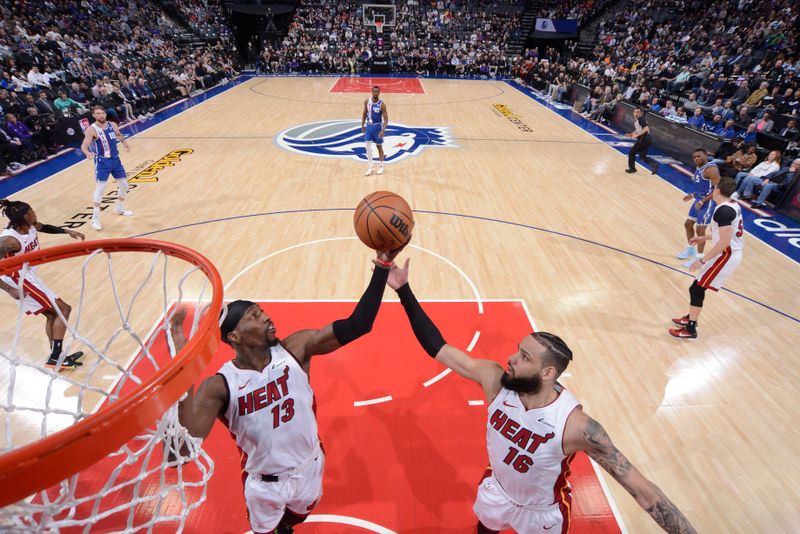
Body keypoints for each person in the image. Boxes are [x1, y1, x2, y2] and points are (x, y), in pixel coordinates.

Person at [384, 260, 697, 533]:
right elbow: (440, 349)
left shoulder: (576, 426)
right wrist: (403, 291)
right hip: (498, 491)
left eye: (523, 357)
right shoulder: (495, 379)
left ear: (547, 373)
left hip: (543, 515)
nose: (511, 358)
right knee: (485, 527)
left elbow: (643, 491)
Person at [168, 245, 407, 534]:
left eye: (263, 311)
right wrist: (182, 376)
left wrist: (383, 264)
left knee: (295, 517)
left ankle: (287, 525)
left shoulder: (296, 349)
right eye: (254, 316)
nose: (267, 317)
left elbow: (359, 324)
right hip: (265, 486)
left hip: (311, 467)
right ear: (234, 336)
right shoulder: (220, 386)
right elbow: (179, 454)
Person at [0, 198, 85, 369]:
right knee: (63, 309)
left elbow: (44, 227)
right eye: (32, 211)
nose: (35, 213)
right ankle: (55, 357)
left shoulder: (30, 226)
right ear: (25, 217)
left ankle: (58, 358)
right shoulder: (9, 241)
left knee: (52, 315)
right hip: (16, 278)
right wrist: (9, 289)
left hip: (28, 276)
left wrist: (66, 231)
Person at [670, 178, 742, 339]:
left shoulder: (722, 211)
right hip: (727, 252)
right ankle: (690, 319)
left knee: (696, 288)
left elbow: (724, 242)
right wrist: (704, 238)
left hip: (727, 255)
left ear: (716, 191)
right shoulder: (733, 205)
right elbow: (726, 234)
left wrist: (701, 260)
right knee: (697, 287)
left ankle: (691, 329)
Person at [80, 105, 132, 231]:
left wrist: (125, 144)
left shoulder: (112, 124)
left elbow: (119, 135)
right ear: (93, 115)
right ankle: (95, 218)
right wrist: (87, 153)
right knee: (101, 188)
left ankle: (119, 207)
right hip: (102, 162)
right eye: (98, 113)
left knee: (124, 184)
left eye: (102, 113)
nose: (101, 115)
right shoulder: (92, 130)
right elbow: (84, 146)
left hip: (116, 160)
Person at [678, 149, 721, 264]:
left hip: (709, 202)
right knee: (688, 224)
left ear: (706, 156)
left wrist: (703, 201)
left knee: (700, 229)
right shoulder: (699, 167)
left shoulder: (711, 170)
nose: (696, 159)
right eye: (694, 157)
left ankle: (699, 258)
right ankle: (690, 250)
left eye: (699, 156)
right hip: (699, 199)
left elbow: (718, 190)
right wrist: (693, 194)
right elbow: (702, 186)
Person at [361, 85, 388, 176]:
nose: (376, 93)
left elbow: (386, 119)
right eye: (374, 91)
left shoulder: (382, 104)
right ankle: (370, 167)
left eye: (377, 91)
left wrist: (383, 130)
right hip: (369, 127)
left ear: (379, 92)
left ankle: (381, 167)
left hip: (377, 127)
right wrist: (362, 125)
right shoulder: (366, 101)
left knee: (379, 147)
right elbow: (364, 113)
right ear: (372, 92)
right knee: (368, 147)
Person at [625, 108, 658, 174]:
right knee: (642, 156)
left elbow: (646, 129)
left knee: (632, 153)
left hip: (644, 139)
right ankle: (654, 165)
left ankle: (632, 168)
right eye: (635, 112)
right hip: (647, 140)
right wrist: (631, 134)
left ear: (640, 113)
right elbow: (638, 130)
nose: (636, 113)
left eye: (638, 112)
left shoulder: (641, 119)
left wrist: (636, 136)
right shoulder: (638, 121)